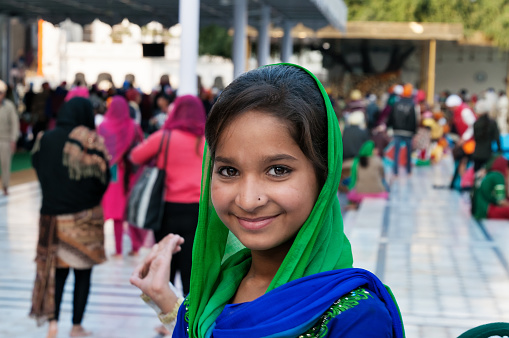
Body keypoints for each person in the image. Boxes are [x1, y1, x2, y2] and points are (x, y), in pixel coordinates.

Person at [130, 64, 404, 337]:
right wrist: (169, 304)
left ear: (324, 176)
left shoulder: (356, 318)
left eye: (278, 170)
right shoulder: (204, 302)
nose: (248, 200)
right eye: (229, 171)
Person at [30, 97, 110, 338]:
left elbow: (37, 167)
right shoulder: (89, 140)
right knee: (82, 274)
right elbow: (103, 176)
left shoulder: (44, 139)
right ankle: (76, 326)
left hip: (51, 219)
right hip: (84, 221)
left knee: (55, 274)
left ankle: (53, 324)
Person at [130, 95, 205, 295]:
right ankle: (190, 318)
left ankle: (167, 319)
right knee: (192, 265)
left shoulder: (164, 137)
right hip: (198, 210)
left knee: (166, 261)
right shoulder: (206, 142)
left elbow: (136, 156)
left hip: (166, 209)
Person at [97, 96, 146, 257]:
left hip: (110, 174)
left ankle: (113, 249)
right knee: (129, 211)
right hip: (130, 174)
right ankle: (136, 247)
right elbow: (141, 146)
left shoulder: (103, 127)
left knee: (110, 211)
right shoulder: (133, 126)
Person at [387, 83, 417, 176]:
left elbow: (391, 117)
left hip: (397, 130)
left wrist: (389, 126)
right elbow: (414, 119)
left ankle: (395, 171)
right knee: (408, 152)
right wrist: (414, 131)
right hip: (408, 132)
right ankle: (408, 170)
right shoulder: (412, 105)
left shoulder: (396, 103)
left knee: (396, 152)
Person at [347, 140, 388, 205]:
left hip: (360, 194)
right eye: (376, 149)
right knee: (386, 185)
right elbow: (382, 175)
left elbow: (354, 179)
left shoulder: (357, 161)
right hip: (378, 194)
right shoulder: (378, 160)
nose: (377, 151)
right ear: (372, 150)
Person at [0, 79, 19, 195]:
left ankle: (5, 186)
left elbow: (14, 123)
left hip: (5, 140)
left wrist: (13, 139)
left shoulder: (9, 106)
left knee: (6, 165)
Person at [472, 99, 501, 172]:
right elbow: (497, 138)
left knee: (477, 176)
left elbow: (475, 138)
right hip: (488, 154)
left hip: (477, 153)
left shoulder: (476, 124)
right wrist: (499, 151)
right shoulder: (493, 123)